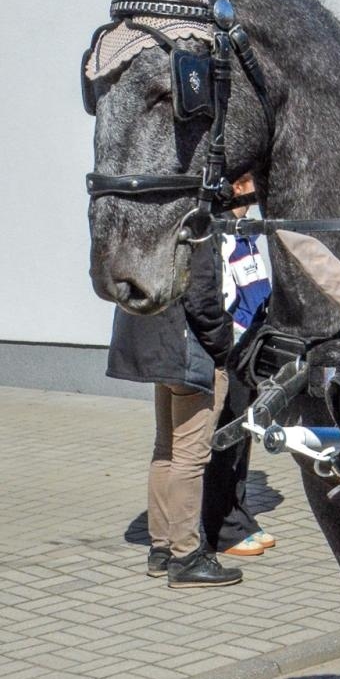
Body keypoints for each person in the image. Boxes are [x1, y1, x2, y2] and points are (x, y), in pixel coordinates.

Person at [107, 236, 242, 588]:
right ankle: (186, 557)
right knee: (189, 457)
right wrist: (224, 346)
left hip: (155, 350)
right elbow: (203, 300)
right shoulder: (195, 228)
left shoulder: (151, 225)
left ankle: (161, 550)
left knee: (165, 449)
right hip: (189, 355)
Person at [202, 176, 277, 559]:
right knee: (225, 442)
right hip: (229, 351)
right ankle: (222, 529)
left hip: (250, 350)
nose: (252, 191)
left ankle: (239, 515)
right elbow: (221, 299)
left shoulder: (244, 233)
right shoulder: (219, 234)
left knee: (242, 439)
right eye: (244, 183)